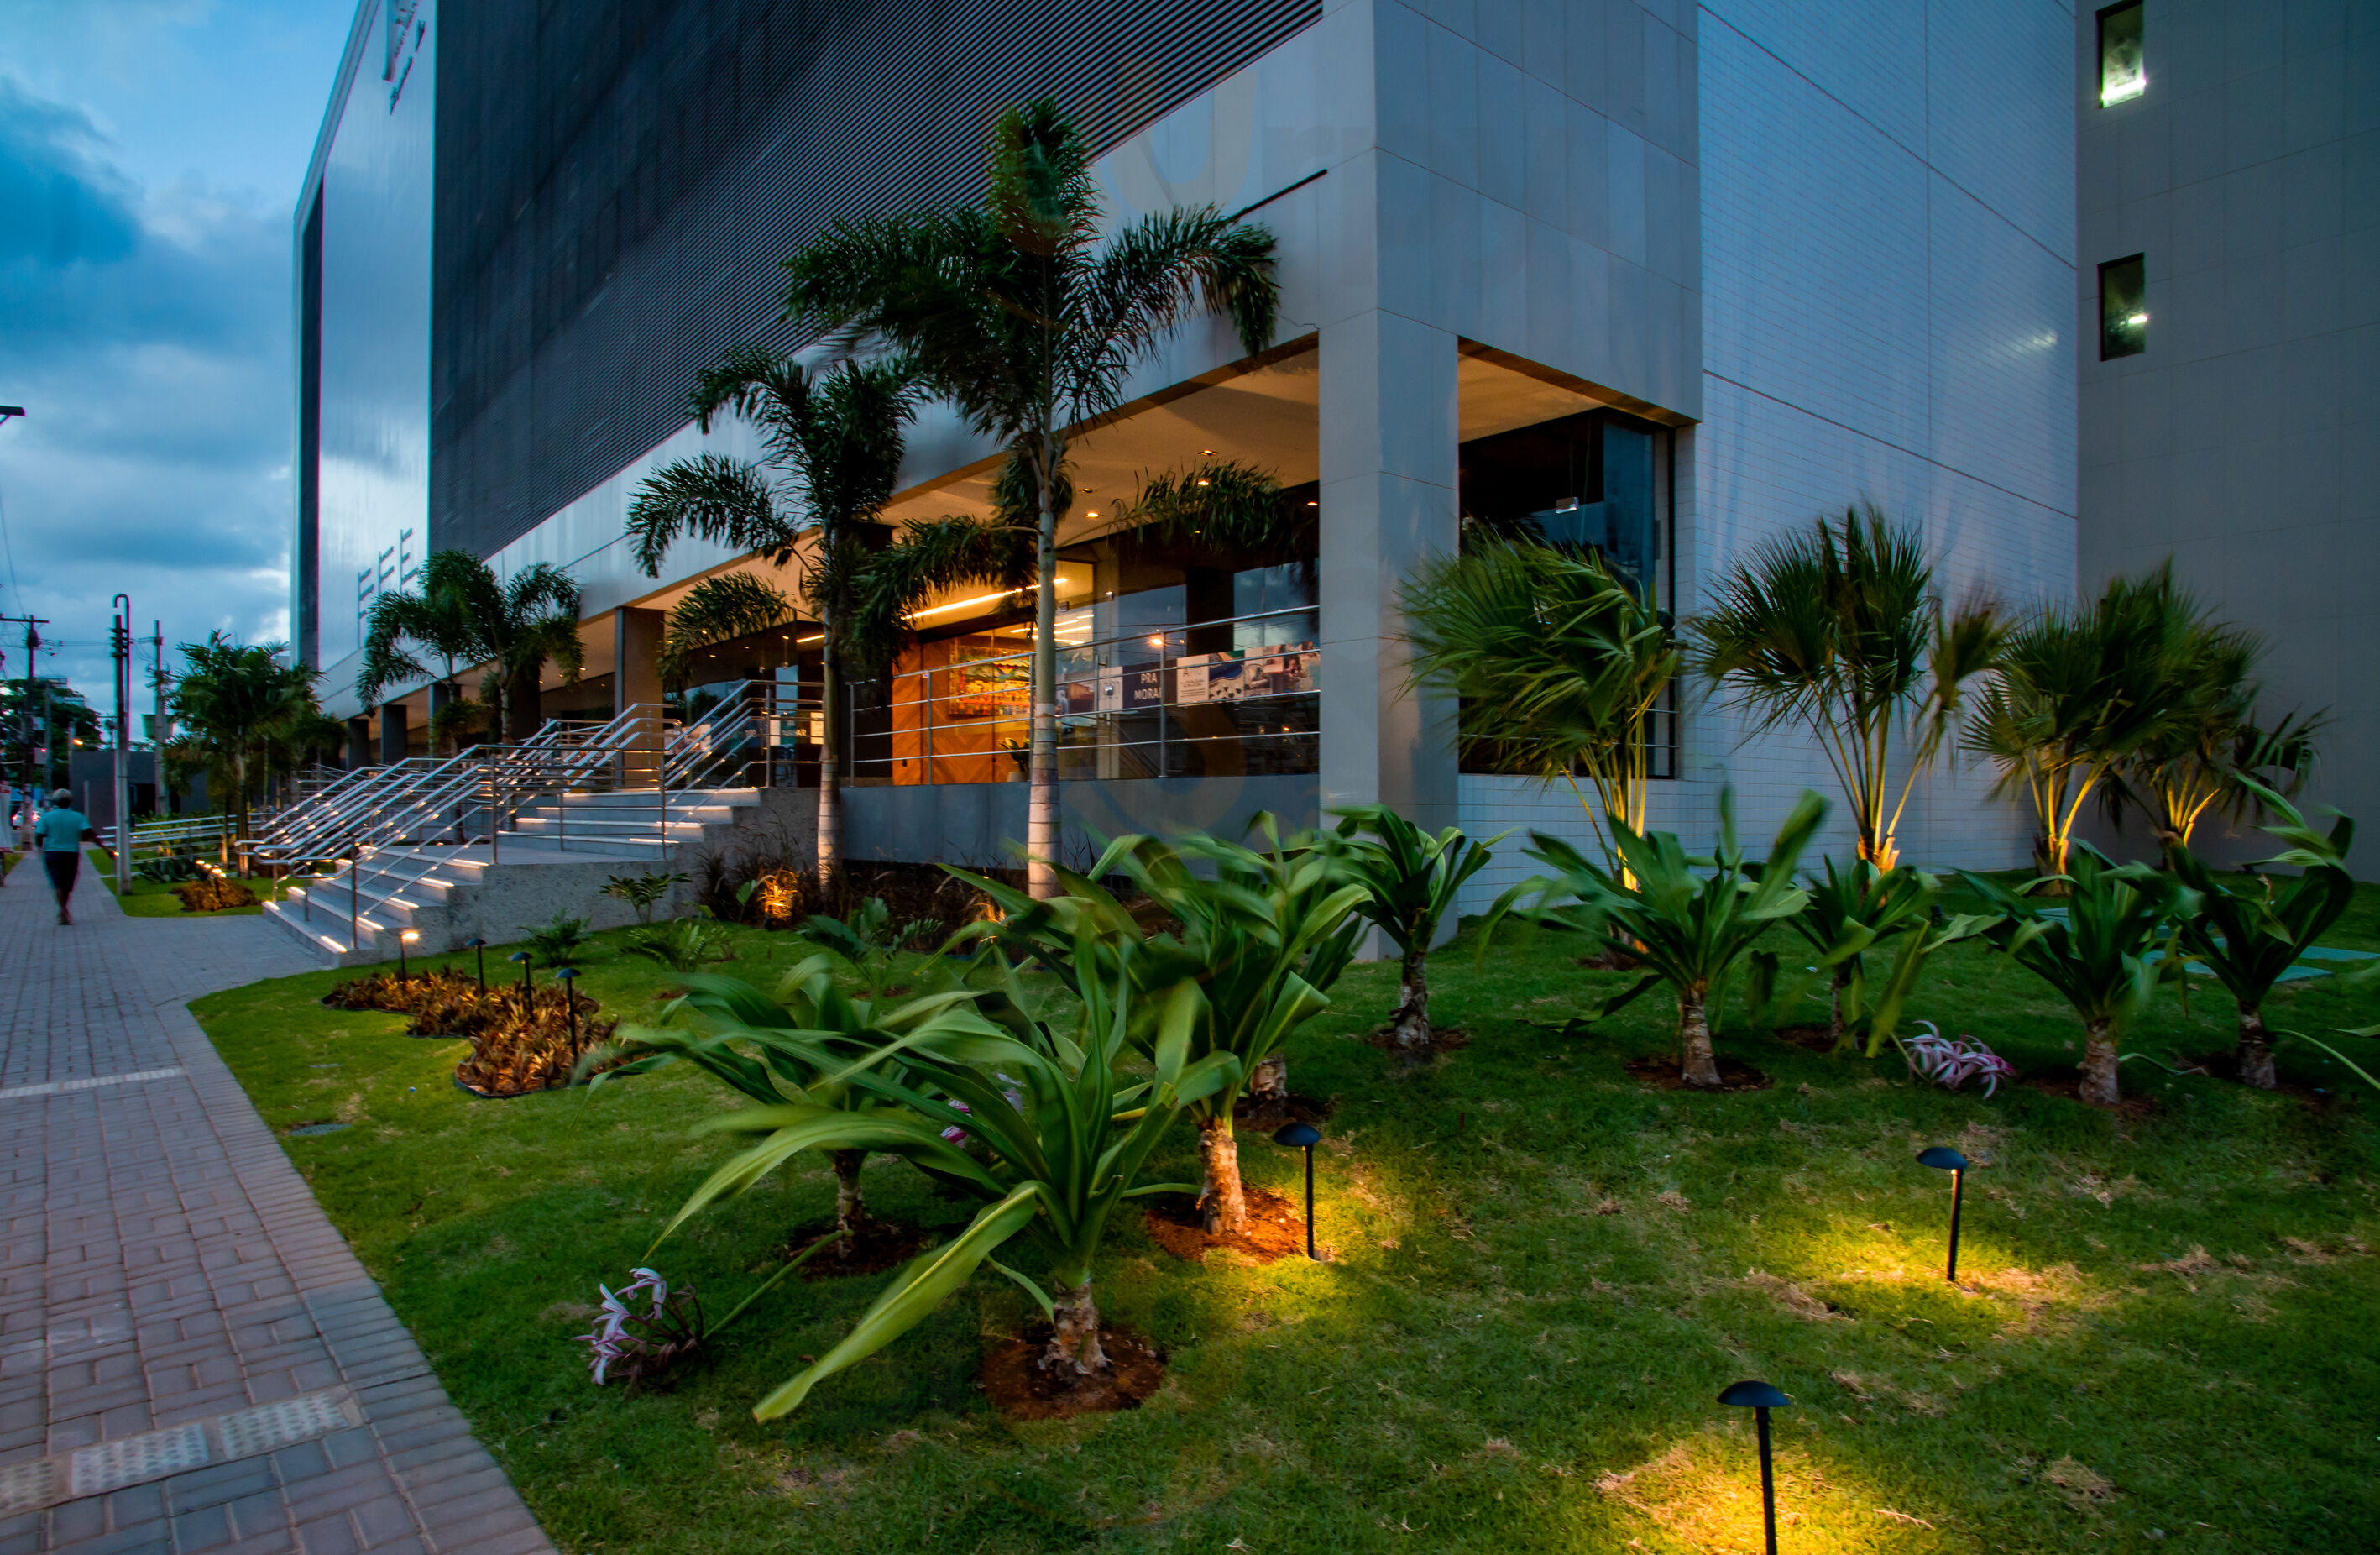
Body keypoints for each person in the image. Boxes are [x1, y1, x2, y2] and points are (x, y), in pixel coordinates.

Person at [35, 788, 113, 926]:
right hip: (71, 854)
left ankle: (63, 910)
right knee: (67, 884)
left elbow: (39, 836)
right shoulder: (78, 817)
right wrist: (105, 849)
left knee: (58, 883)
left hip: (52, 853)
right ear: (70, 802)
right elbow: (90, 834)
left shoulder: (47, 817)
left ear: (55, 802)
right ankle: (64, 911)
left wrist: (40, 848)